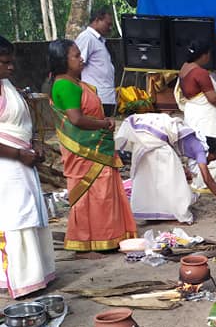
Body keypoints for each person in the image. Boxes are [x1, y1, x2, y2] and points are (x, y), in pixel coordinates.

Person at [49, 38, 137, 254]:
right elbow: (77, 119)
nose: (82, 59)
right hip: (85, 151)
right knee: (94, 193)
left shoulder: (75, 83)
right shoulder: (65, 86)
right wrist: (104, 123)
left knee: (103, 192)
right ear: (62, 60)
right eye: (76, 56)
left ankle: (108, 235)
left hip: (96, 146)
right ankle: (94, 239)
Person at [0, 36, 55, 297]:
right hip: (7, 164)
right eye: (5, 62)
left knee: (31, 212)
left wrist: (34, 145)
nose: (11, 67)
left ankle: (37, 274)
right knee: (16, 217)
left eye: (11, 61)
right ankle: (19, 278)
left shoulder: (8, 85)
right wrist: (18, 153)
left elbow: (25, 123)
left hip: (23, 159)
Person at [115, 113, 216, 223]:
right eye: (213, 159)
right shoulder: (201, 150)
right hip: (155, 139)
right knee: (172, 179)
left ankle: (153, 210)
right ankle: (176, 212)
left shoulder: (195, 141)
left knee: (154, 178)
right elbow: (208, 180)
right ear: (211, 152)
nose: (209, 162)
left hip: (150, 136)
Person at [173, 40, 216, 190]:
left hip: (193, 111)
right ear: (203, 55)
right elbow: (212, 98)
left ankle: (198, 178)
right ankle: (210, 181)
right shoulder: (200, 72)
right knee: (210, 143)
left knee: (196, 143)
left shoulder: (184, 68)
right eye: (208, 54)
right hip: (206, 114)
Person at [74, 7, 116, 116]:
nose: (110, 28)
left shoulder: (100, 40)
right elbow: (76, 65)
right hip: (95, 96)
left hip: (106, 96)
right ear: (97, 20)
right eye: (108, 24)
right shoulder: (86, 38)